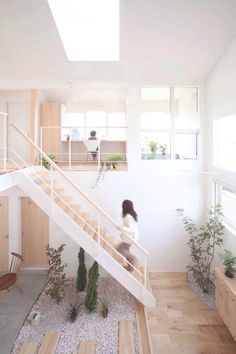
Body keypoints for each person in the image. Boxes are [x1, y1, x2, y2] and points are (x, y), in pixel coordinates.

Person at [116, 200, 139, 271]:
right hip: (132, 237)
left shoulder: (128, 216)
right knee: (126, 250)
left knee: (119, 248)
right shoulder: (131, 215)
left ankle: (133, 258)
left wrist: (120, 227)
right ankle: (130, 268)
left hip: (130, 238)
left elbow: (130, 229)